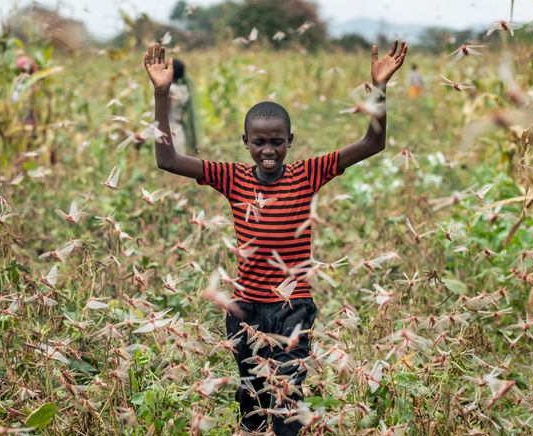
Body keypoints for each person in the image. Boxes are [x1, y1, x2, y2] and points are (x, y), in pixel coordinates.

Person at [143, 40, 407, 434]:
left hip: (293, 310)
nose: (269, 150)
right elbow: (167, 160)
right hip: (245, 310)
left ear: (290, 141)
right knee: (252, 402)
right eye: (260, 142)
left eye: (277, 141)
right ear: (246, 143)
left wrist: (379, 87)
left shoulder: (309, 173)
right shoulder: (231, 177)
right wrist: (161, 94)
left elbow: (374, 143)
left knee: (286, 400)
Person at [168, 59, 201, 155]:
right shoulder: (184, 89)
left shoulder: (169, 91)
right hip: (179, 131)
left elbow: (163, 115)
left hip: (168, 131)